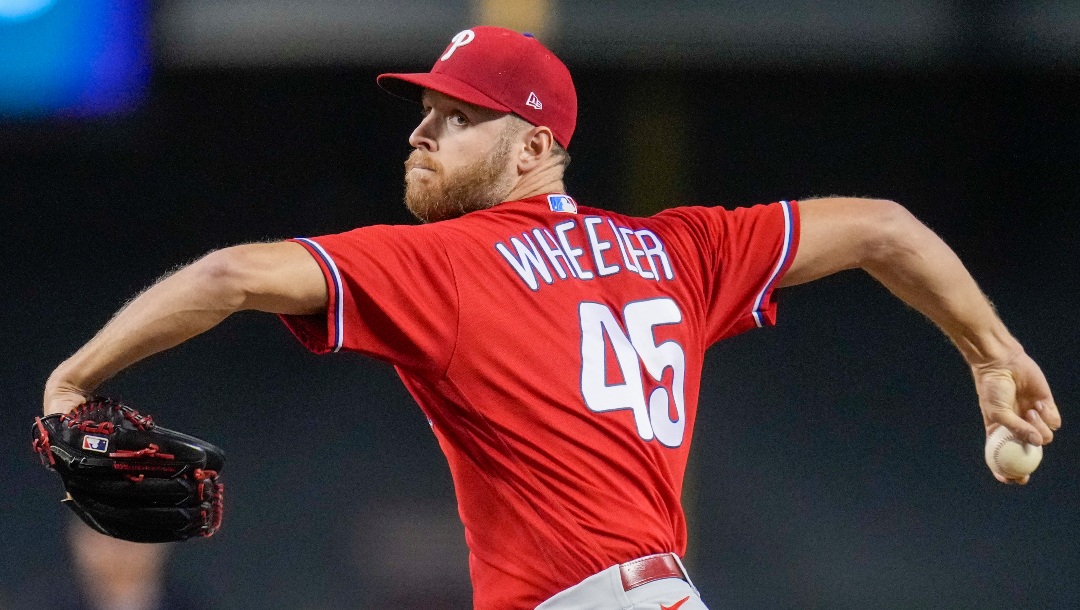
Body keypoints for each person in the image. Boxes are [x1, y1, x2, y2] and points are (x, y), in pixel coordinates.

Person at [43, 25, 1061, 610]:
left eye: (456, 117)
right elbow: (883, 225)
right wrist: (992, 351)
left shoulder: (449, 265)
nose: (421, 131)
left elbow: (228, 275)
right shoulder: (681, 250)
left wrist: (74, 380)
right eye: (425, 111)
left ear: (535, 148)